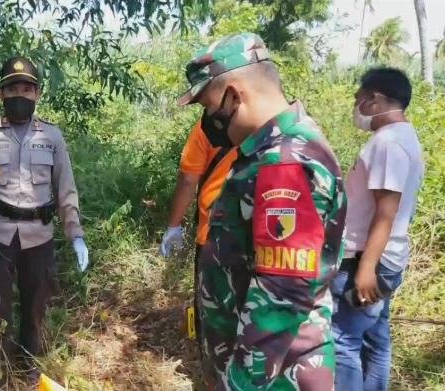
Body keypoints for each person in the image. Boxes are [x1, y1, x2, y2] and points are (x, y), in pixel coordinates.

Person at [178, 32, 347, 389]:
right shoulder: (276, 149)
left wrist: (239, 383)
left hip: (274, 375)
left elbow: (280, 297)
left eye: (210, 107)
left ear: (235, 95)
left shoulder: (284, 164)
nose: (210, 121)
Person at [0, 56, 88, 386]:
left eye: (27, 89)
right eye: (13, 88)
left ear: (37, 94)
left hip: (38, 236)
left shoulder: (52, 137)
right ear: (0, 93)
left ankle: (27, 370)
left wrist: (76, 235)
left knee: (35, 307)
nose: (20, 95)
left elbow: (65, 189)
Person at [332, 67, 424, 391]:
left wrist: (366, 268)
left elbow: (386, 212)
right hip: (384, 257)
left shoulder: (388, 143)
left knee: (342, 341)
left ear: (374, 99)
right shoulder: (404, 137)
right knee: (375, 338)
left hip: (366, 259)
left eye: (358, 99)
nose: (356, 107)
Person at [159, 119, 238, 259]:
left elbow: (188, 180)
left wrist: (173, 225)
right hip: (265, 239)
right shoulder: (278, 122)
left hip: (214, 234)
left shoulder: (207, 126)